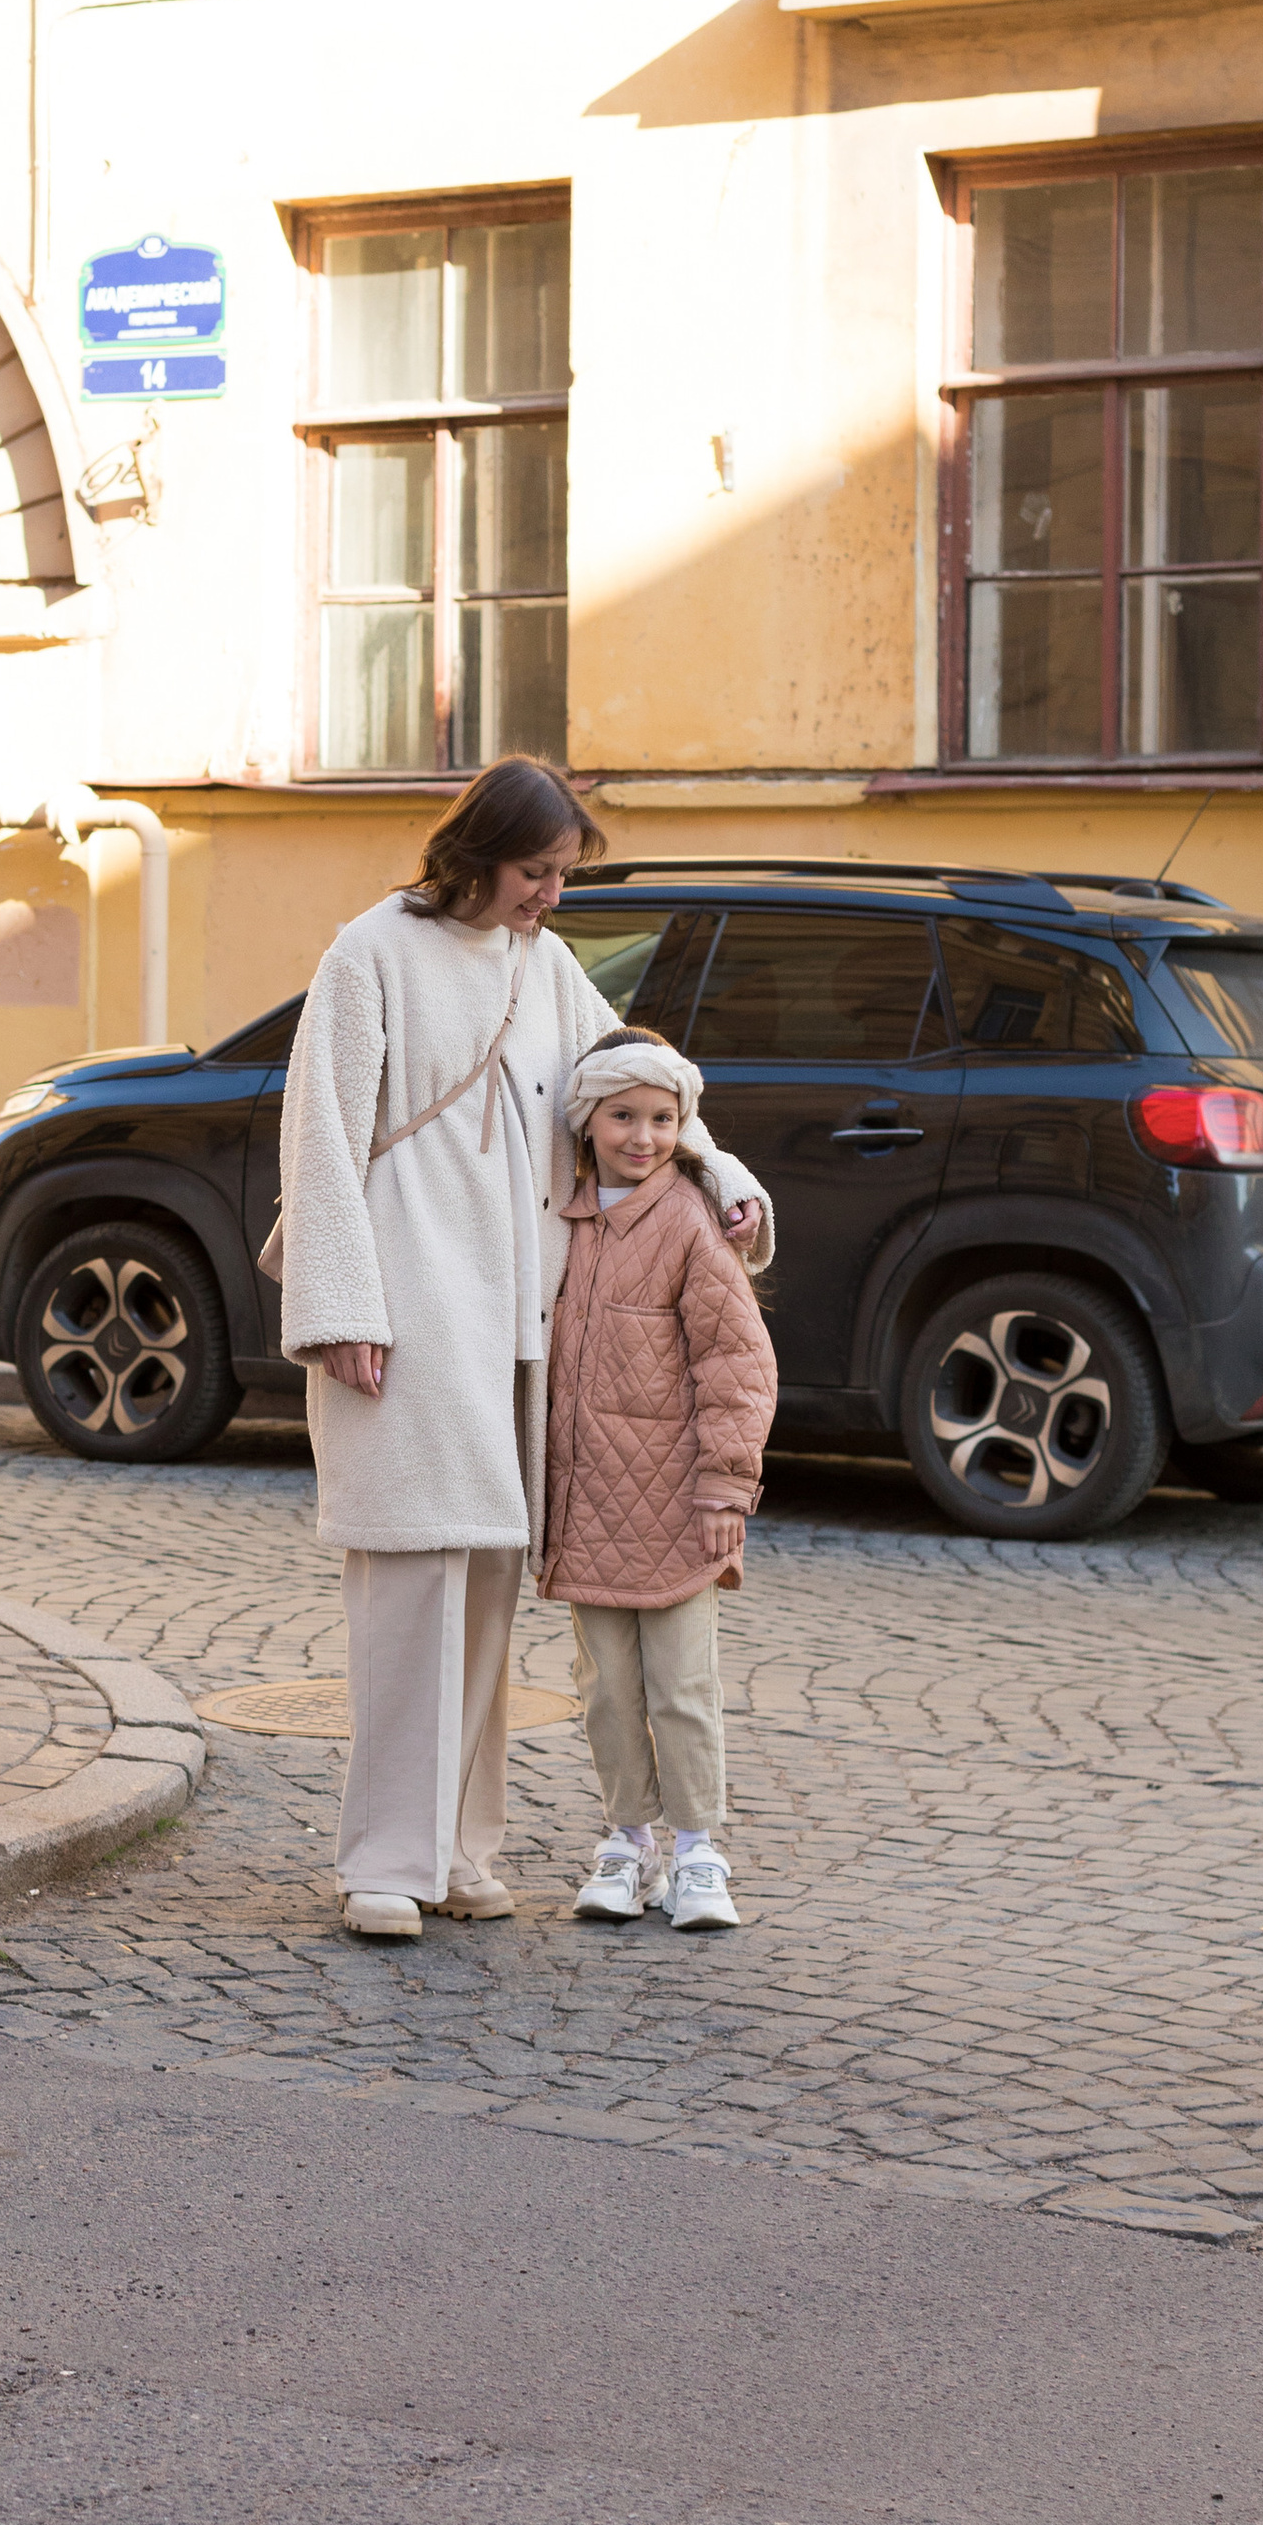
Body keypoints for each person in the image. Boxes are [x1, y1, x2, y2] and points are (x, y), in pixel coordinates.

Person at [274, 759, 765, 1942]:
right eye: (536, 872)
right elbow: (322, 1128)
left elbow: (641, 1094)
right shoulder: (369, 952)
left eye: (561, 876)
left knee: (491, 1581)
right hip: (402, 1306)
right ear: (476, 854)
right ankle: (381, 1864)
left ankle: (458, 1849)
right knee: (409, 1577)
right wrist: (341, 1307)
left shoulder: (545, 967)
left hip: (525, 1321)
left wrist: (727, 1179)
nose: (552, 895)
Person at [541, 1029, 778, 1932]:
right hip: (586, 1499)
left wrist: (726, 1489)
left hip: (680, 1503)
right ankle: (627, 1840)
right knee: (606, 1688)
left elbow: (736, 1363)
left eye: (662, 1119)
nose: (642, 1136)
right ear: (587, 1120)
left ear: (686, 1126)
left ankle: (697, 1852)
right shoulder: (557, 1215)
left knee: (681, 1686)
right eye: (623, 1117)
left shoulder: (686, 1219)